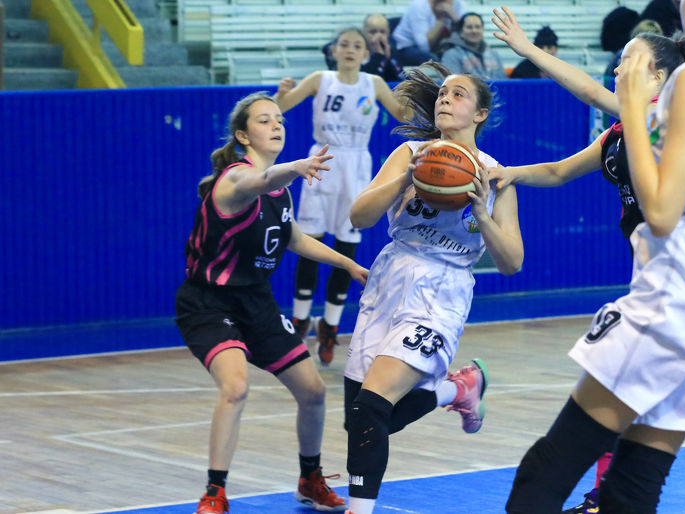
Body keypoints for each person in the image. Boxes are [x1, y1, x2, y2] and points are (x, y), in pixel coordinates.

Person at [492, 6, 685, 513]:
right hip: (679, 300)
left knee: (550, 468)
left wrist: (631, 106)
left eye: (631, 61)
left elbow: (661, 213)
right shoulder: (634, 123)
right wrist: (511, 173)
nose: (619, 69)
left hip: (673, 298)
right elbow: (560, 165)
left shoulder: (680, 90)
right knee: (634, 485)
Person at [174, 91, 370, 514]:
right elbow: (260, 181)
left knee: (313, 391)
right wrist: (296, 168)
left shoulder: (280, 194)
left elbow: (293, 237)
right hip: (209, 303)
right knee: (235, 387)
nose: (276, 125)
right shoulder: (235, 180)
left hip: (256, 302)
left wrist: (348, 264)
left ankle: (309, 478)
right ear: (243, 136)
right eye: (264, 120)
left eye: (279, 118)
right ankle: (214, 492)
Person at [343, 61, 524, 514]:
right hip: (390, 277)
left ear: (479, 114)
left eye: (458, 94)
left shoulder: (495, 175)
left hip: (442, 288)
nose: (445, 97)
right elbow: (359, 216)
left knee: (371, 410)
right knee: (359, 421)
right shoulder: (410, 153)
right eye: (443, 92)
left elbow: (512, 262)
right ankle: (456, 390)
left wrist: (482, 214)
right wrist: (407, 178)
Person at [275, 28, 412, 366]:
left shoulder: (373, 83)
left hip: (356, 165)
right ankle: (300, 319)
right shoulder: (320, 79)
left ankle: (330, 324)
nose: (350, 49)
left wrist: (411, 87)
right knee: (310, 241)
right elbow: (282, 107)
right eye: (344, 44)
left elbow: (404, 115)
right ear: (334, 50)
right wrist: (280, 94)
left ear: (366, 54)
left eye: (357, 45)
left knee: (346, 244)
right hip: (322, 160)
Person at [322, 14, 404, 83]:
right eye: (373, 32)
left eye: (382, 32)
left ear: (388, 33)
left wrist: (387, 59)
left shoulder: (392, 48)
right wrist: (377, 56)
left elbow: (397, 81)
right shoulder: (350, 50)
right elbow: (361, 81)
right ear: (363, 32)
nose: (378, 37)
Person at [392, 0, 468, 67]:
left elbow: (468, 39)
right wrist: (441, 19)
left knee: (463, 55)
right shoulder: (419, 5)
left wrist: (454, 18)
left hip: (439, 46)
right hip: (406, 46)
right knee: (433, 61)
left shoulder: (459, 4)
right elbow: (424, 47)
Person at [440, 12, 507, 80]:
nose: (474, 31)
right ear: (461, 31)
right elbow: (451, 83)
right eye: (469, 27)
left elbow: (503, 82)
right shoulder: (451, 55)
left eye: (477, 27)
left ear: (483, 29)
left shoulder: (494, 54)